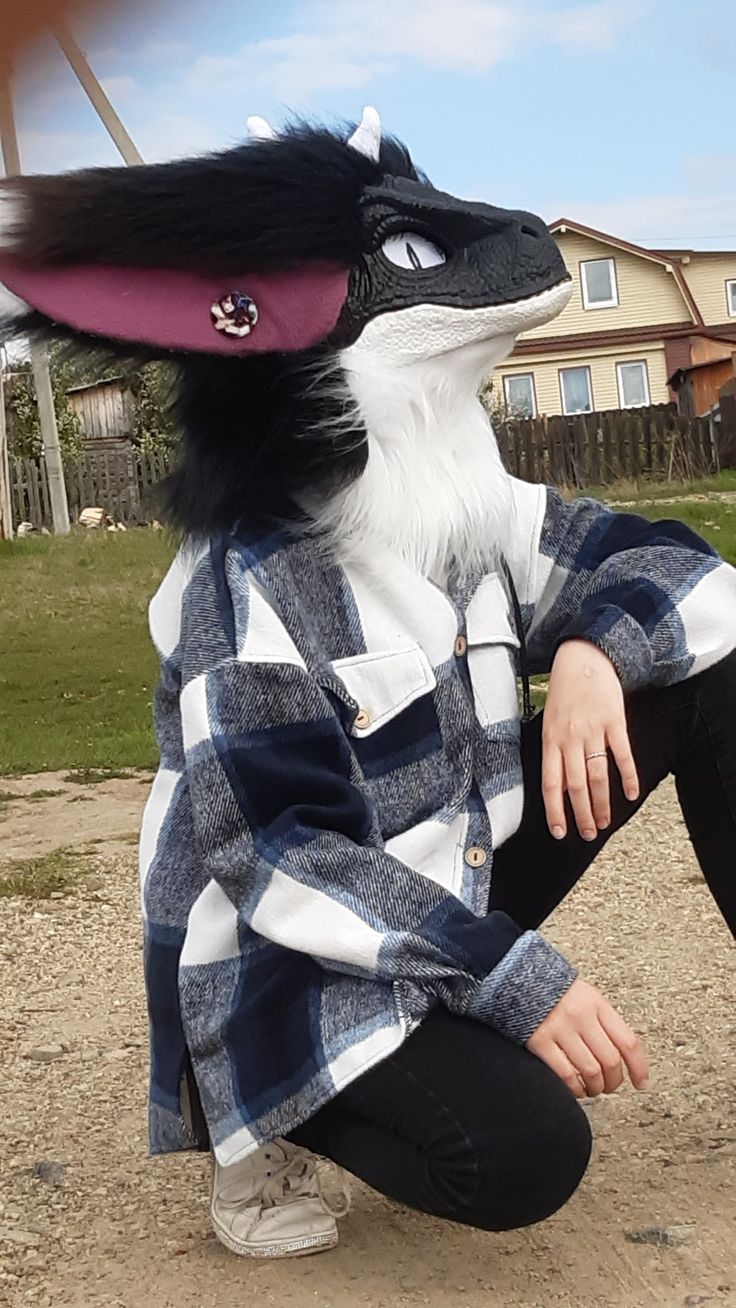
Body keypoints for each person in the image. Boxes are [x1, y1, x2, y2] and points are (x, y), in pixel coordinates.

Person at [1, 108, 734, 1261]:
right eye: (401, 257)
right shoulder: (249, 579)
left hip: (452, 867)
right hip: (284, 951)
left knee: (703, 667)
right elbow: (283, 853)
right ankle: (271, 1118)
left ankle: (422, 1023)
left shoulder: (467, 513)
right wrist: (511, 981)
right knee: (524, 1155)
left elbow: (688, 576)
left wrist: (593, 650)